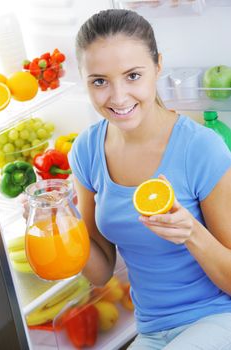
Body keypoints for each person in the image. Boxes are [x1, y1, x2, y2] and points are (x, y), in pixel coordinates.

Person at [68, 9, 231, 349]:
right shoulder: (86, 151)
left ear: (157, 66)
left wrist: (192, 233)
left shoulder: (201, 148)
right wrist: (60, 221)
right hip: (153, 329)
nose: (117, 97)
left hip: (217, 316)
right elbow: (100, 272)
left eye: (132, 75)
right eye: (99, 81)